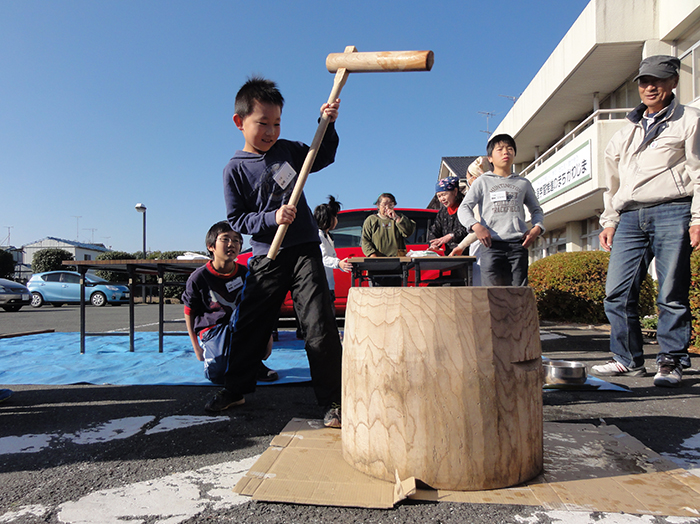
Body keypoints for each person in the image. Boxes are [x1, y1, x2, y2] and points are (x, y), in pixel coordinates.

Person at [217, 76, 343, 428]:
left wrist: (327, 124)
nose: (271, 131)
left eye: (276, 123)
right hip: (266, 255)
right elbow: (238, 219)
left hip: (304, 249)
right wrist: (272, 217)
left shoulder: (287, 150)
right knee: (250, 324)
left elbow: (323, 155)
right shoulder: (235, 169)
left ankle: (335, 401)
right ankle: (235, 388)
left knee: (318, 323)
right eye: (263, 124)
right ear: (240, 122)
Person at [591, 55, 700, 388]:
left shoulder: (690, 120)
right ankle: (626, 359)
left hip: (674, 209)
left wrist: (698, 217)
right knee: (617, 292)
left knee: (670, 291)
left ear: (672, 84)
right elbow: (612, 184)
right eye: (644, 81)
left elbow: (698, 171)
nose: (649, 87)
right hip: (628, 216)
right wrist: (609, 220)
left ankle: (671, 360)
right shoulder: (623, 134)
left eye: (658, 80)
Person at [181, 221, 277, 386]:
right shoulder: (199, 277)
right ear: (211, 246)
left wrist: (267, 336)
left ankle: (254, 364)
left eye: (237, 240)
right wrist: (196, 347)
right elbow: (189, 311)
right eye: (225, 239)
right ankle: (219, 361)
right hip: (213, 330)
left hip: (240, 325)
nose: (232, 244)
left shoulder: (246, 274)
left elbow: (258, 307)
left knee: (251, 313)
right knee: (218, 375)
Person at [458, 134, 545, 286]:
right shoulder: (482, 182)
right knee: (492, 296)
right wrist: (475, 226)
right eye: (500, 149)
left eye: (510, 149)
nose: (506, 152)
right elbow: (464, 208)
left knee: (518, 296)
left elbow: (536, 210)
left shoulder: (523, 183)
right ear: (490, 158)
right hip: (491, 246)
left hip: (518, 246)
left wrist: (537, 228)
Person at [450, 156, 492, 286]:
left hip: (483, 246)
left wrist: (461, 246)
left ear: (474, 178)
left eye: (468, 176)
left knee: (483, 286)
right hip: (485, 246)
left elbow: (480, 227)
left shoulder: (482, 196)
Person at [313, 196, 352, 312]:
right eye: (335, 217)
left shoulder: (327, 236)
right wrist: (338, 263)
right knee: (324, 311)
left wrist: (340, 264)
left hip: (328, 283)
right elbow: (323, 258)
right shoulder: (318, 236)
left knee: (329, 309)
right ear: (327, 219)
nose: (336, 220)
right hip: (321, 282)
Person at [361, 193, 416, 257]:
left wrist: (396, 218)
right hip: (378, 259)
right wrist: (372, 255)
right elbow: (365, 240)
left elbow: (408, 232)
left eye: (390, 205)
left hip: (398, 259)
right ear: (378, 205)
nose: (387, 208)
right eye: (384, 205)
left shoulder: (400, 217)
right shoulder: (371, 220)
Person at [427, 175, 468, 256]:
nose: (442, 199)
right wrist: (434, 243)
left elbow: (467, 230)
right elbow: (434, 230)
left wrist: (450, 236)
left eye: (444, 194)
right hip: (450, 254)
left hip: (466, 252)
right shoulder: (443, 212)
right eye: (439, 196)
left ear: (455, 192)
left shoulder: (465, 207)